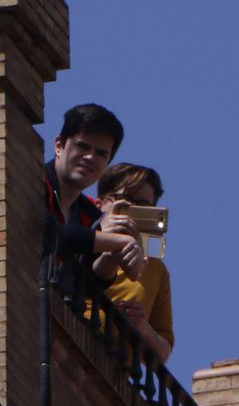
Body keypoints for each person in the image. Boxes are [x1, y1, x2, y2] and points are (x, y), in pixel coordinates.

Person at [43, 103, 144, 281]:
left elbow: (89, 282)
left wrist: (114, 256)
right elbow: (48, 231)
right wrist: (118, 242)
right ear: (59, 146)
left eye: (101, 154)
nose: (90, 157)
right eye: (82, 146)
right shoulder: (33, 182)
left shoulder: (90, 215)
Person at [93, 163, 174, 364]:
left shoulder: (156, 269)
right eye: (126, 200)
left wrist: (143, 327)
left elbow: (163, 351)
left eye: (143, 205)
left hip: (115, 378)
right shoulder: (83, 238)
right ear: (100, 204)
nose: (133, 211)